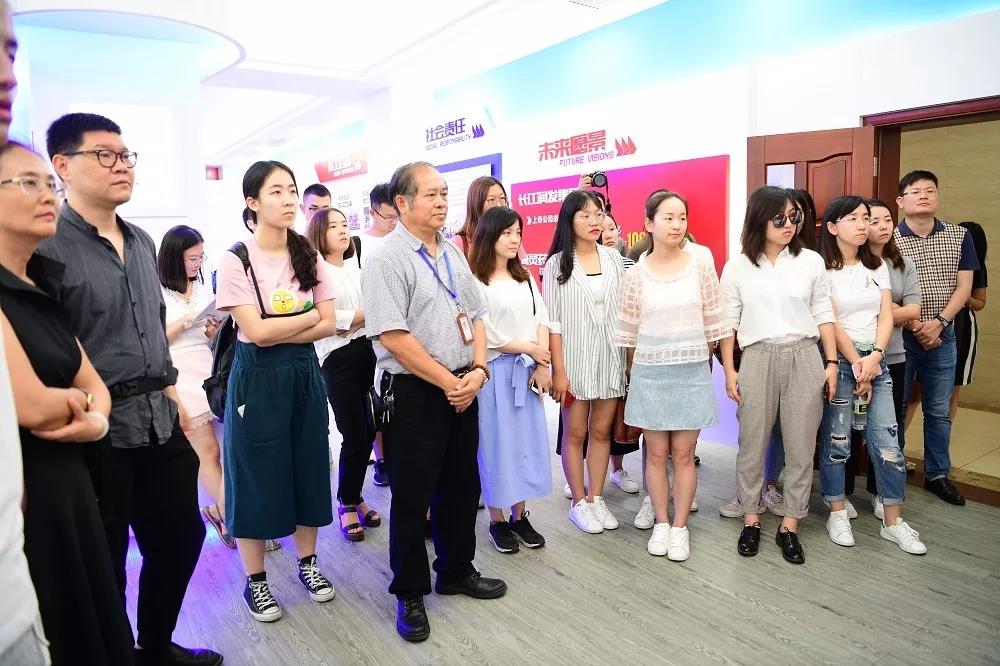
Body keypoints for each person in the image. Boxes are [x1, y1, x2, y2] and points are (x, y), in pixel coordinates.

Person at [39, 113, 220, 665]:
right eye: (104, 155)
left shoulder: (141, 241)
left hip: (159, 419)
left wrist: (173, 398)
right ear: (63, 165)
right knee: (106, 561)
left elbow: (152, 332)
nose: (121, 166)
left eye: (126, 156)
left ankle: (153, 645)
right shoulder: (48, 246)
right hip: (98, 430)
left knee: (183, 537)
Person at [362, 161, 506, 643]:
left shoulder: (452, 251)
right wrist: (450, 381)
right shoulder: (386, 259)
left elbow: (477, 315)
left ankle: (456, 570)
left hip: (463, 385)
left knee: (463, 485)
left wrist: (478, 370)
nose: (442, 201)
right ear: (402, 203)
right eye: (431, 194)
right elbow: (393, 336)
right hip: (416, 391)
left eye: (445, 193)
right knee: (412, 496)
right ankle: (409, 591)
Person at [215, 160, 338, 623]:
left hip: (304, 373)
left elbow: (328, 323)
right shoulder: (236, 259)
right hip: (256, 380)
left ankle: (308, 564)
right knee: (254, 476)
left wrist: (279, 325)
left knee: (309, 466)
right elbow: (255, 334)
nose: (288, 201)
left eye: (291, 191)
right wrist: (305, 318)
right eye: (276, 192)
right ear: (252, 202)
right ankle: (256, 581)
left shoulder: (307, 253)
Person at [719, 185, 837, 565]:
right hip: (757, 356)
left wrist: (831, 362)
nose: (789, 225)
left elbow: (824, 313)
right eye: (780, 218)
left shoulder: (810, 261)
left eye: (794, 217)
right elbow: (728, 322)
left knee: (801, 445)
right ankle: (751, 518)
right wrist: (730, 369)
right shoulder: (738, 266)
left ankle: (790, 523)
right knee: (751, 442)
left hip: (804, 355)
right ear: (759, 219)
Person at [615, 191, 727, 561]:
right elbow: (629, 332)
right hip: (650, 372)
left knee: (683, 454)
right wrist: (634, 372)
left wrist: (712, 361)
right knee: (656, 454)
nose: (677, 224)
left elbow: (714, 319)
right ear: (648, 224)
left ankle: (680, 527)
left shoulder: (700, 263)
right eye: (668, 217)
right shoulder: (636, 273)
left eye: (682, 217)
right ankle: (661, 522)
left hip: (691, 370)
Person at [816, 195, 926, 554]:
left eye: (865, 217)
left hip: (876, 363)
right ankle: (836, 511)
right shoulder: (822, 269)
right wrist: (856, 362)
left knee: (888, 444)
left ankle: (893, 522)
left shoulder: (877, 265)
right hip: (842, 362)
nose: (863, 224)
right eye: (853, 218)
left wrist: (876, 356)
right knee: (837, 443)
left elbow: (886, 314)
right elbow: (829, 320)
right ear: (832, 227)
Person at [0, 12, 48, 665]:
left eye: (11, 52)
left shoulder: (43, 280)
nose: (7, 74)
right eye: (28, 183)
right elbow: (39, 404)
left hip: (13, 596)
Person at [468, 206, 552, 554]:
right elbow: (485, 332)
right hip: (493, 373)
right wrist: (531, 349)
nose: (515, 239)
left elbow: (542, 318)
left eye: (518, 232)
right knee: (495, 445)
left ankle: (520, 515)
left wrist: (541, 360)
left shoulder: (525, 276)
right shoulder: (476, 280)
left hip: (526, 369)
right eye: (507, 233)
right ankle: (497, 519)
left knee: (524, 445)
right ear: (490, 236)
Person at [544, 190, 627, 534]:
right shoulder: (557, 264)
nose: (595, 221)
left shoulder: (613, 258)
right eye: (586, 215)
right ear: (570, 220)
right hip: (574, 362)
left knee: (601, 432)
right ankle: (578, 502)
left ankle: (596, 497)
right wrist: (558, 371)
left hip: (609, 358)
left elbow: (624, 311)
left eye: (599, 213)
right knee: (576, 433)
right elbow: (552, 323)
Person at [893, 170, 978, 505]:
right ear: (901, 201)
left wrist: (939, 323)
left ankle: (938, 475)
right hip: (900, 336)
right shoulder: (888, 239)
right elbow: (881, 291)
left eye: (930, 190)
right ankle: (892, 469)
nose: (924, 196)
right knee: (897, 406)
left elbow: (965, 287)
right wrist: (917, 325)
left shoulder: (960, 236)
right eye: (915, 191)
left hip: (944, 335)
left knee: (939, 410)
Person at [306, 207, 382, 541]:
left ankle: (355, 495)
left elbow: (371, 313)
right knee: (353, 433)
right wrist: (360, 316)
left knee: (369, 429)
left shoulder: (354, 266)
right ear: (318, 234)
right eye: (332, 226)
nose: (342, 230)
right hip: (336, 359)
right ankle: (347, 503)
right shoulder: (315, 272)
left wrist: (356, 318)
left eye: (344, 224)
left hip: (367, 351)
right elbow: (327, 321)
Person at [157, 225, 232, 549]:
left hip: (207, 368)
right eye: (192, 258)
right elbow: (154, 340)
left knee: (225, 450)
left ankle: (220, 509)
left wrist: (212, 329)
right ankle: (234, 519)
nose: (197, 264)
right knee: (207, 451)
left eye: (201, 257)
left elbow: (207, 335)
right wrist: (186, 321)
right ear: (174, 257)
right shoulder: (156, 292)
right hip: (178, 371)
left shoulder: (201, 288)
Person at [864, 199, 920, 518]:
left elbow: (914, 309)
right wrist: (892, 310)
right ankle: (841, 495)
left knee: (888, 427)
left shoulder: (903, 264)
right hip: (856, 354)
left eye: (888, 219)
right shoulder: (852, 264)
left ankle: (878, 492)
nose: (883, 226)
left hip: (894, 354)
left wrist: (884, 313)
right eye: (874, 220)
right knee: (850, 425)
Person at [361, 182, 396, 486]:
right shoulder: (360, 246)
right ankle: (381, 460)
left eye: (398, 215)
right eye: (388, 217)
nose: (394, 222)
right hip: (369, 334)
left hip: (401, 331)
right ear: (373, 212)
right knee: (376, 398)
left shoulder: (404, 242)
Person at [949, 222, 987, 420]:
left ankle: (943, 436)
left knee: (953, 388)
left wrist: (964, 297)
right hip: (931, 323)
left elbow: (980, 303)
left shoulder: (978, 267)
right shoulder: (945, 257)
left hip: (963, 327)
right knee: (915, 389)